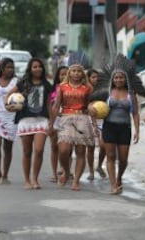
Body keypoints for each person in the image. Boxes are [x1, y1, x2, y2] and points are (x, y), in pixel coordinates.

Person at [5, 58, 53, 190]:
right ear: (30, 69)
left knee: (39, 150)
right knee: (27, 151)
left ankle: (35, 179)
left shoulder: (46, 84)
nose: (38, 69)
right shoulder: (23, 83)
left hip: (41, 120)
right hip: (25, 121)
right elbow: (8, 95)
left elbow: (49, 104)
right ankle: (27, 180)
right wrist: (8, 106)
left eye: (40, 67)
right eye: (35, 67)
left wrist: (51, 122)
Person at [50, 62, 95, 191]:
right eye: (73, 71)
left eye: (79, 71)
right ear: (69, 73)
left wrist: (94, 123)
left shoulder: (88, 88)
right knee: (63, 150)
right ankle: (66, 170)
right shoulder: (62, 87)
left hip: (82, 119)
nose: (76, 73)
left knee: (81, 152)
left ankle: (76, 181)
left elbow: (90, 105)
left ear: (82, 74)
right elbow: (56, 105)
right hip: (65, 118)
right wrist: (51, 123)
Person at [100, 69, 140, 194]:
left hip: (125, 128)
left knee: (123, 159)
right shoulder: (107, 92)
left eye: (121, 78)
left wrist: (137, 130)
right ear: (112, 80)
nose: (118, 80)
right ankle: (113, 185)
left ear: (125, 79)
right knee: (110, 156)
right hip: (109, 126)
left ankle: (119, 178)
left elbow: (135, 113)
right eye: (116, 78)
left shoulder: (130, 94)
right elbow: (97, 107)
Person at [86, 68, 106, 180]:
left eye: (97, 77)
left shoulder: (104, 90)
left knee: (104, 145)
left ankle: (99, 166)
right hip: (89, 121)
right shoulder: (86, 90)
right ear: (89, 78)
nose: (96, 79)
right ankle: (91, 171)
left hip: (102, 121)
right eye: (93, 77)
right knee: (91, 147)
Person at [49, 66, 68, 183]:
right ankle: (53, 172)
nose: (64, 77)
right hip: (55, 119)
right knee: (54, 147)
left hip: (68, 120)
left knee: (66, 149)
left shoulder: (73, 89)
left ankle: (64, 169)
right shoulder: (53, 89)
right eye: (62, 74)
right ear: (58, 76)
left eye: (66, 74)